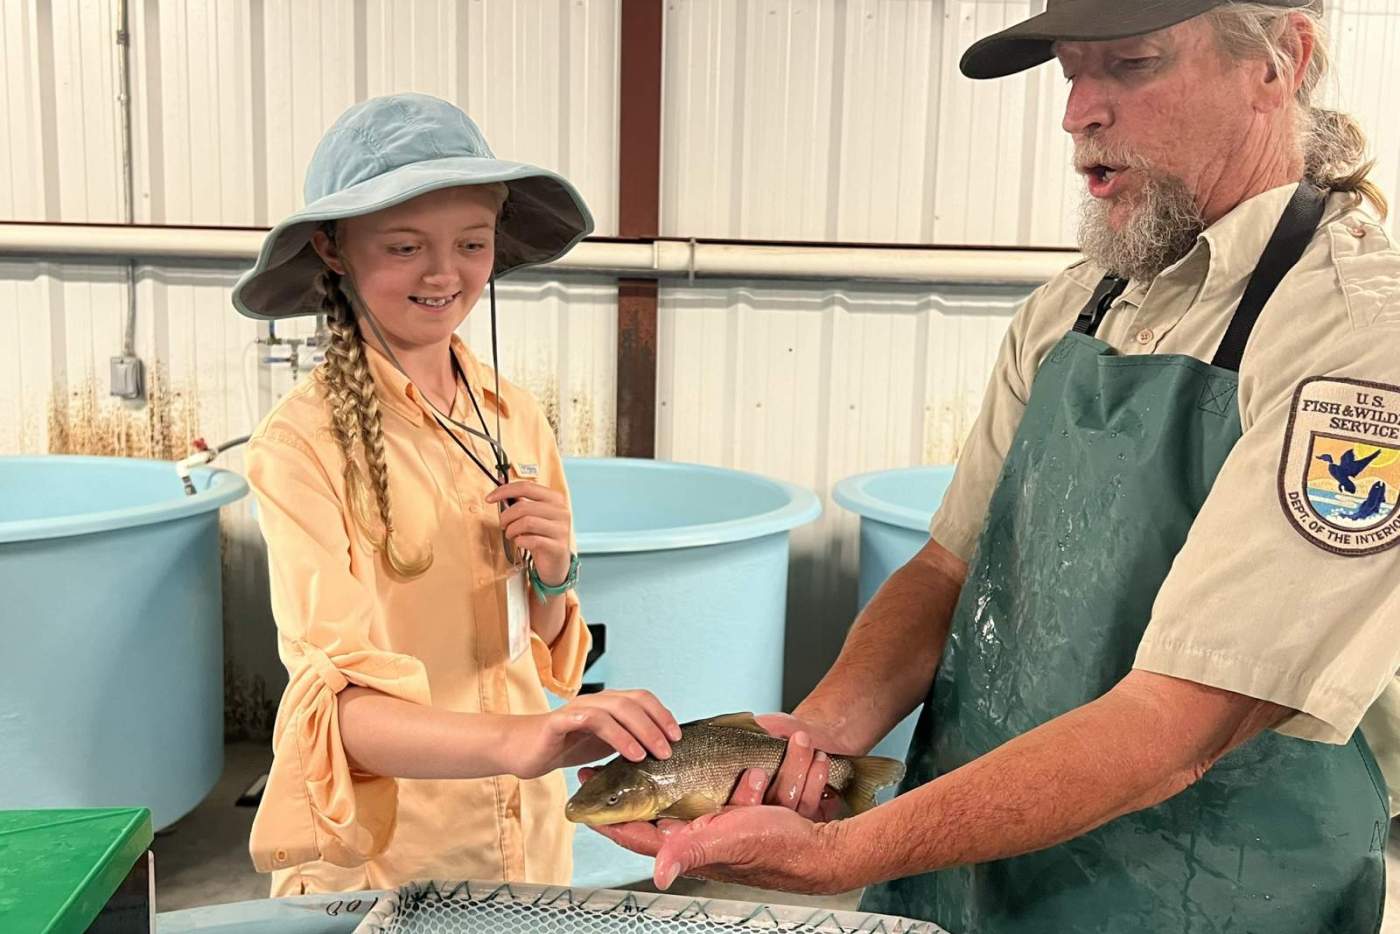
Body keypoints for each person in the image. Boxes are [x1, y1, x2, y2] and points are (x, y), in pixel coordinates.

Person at [591, 3, 1398, 930]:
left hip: (1212, 891)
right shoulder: (1076, 310)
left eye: (1131, 64)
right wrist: (809, 742)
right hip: (977, 868)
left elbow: (1185, 721)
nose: (1077, 113)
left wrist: (845, 853)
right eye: (1069, 72)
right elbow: (946, 568)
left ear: (1279, 62)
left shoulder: (1357, 341)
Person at [231, 93, 680, 896]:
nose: (445, 274)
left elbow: (540, 646)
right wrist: (521, 739)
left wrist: (552, 573)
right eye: (405, 247)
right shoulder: (303, 447)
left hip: (526, 840)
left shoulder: (512, 412)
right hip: (389, 865)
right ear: (334, 251)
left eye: (471, 243)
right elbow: (337, 716)